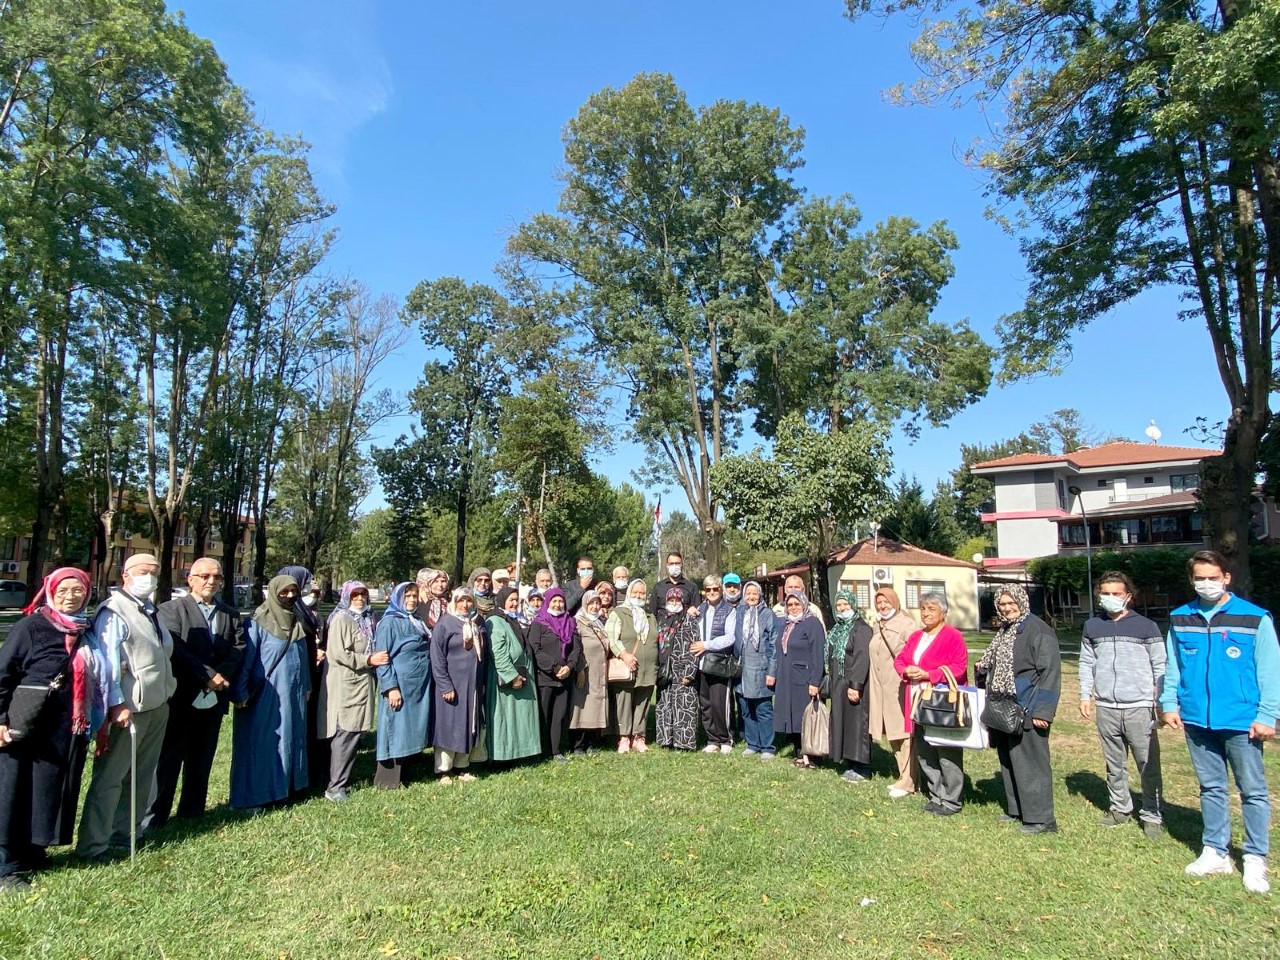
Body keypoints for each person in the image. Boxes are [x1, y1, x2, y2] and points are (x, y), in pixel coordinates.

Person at [1161, 550, 1280, 893]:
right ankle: (1216, 851)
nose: (1206, 583)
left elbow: (1269, 671)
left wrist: (1266, 715)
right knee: (1211, 788)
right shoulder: (1181, 618)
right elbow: (1174, 666)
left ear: (1227, 577)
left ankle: (1255, 858)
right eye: (1200, 578)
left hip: (1243, 721)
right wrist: (1170, 703)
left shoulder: (1255, 618)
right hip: (1198, 720)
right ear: (1191, 580)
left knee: (1253, 792)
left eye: (1213, 577)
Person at [0, 568, 108, 891]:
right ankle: (6, 866)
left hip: (64, 730)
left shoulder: (87, 631)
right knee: (12, 793)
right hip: (25, 726)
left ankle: (33, 850)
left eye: (78, 590)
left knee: (46, 792)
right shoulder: (31, 627)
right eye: (64, 589)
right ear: (50, 590)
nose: (71, 596)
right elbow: (3, 673)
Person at [77, 553, 176, 861]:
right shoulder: (114, 611)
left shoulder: (150, 610)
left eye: (154, 572)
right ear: (126, 576)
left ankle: (127, 834)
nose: (149, 577)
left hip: (157, 703)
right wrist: (116, 704)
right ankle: (94, 845)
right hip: (127, 709)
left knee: (143, 775)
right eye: (143, 572)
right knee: (111, 778)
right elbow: (107, 664)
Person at [151, 557, 244, 827]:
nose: (210, 581)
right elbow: (176, 649)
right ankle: (156, 815)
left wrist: (219, 676)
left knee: (202, 756)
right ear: (190, 579)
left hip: (214, 697)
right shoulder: (170, 610)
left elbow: (237, 648)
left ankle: (192, 810)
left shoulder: (230, 613)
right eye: (204, 576)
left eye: (216, 577)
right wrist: (206, 674)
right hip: (181, 696)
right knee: (169, 758)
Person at [1079, 571, 1165, 838]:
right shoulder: (1092, 626)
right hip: (1106, 706)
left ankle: (1152, 814)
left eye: (1116, 593)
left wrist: (1160, 701)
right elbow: (1086, 662)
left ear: (1128, 596)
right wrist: (1085, 695)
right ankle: (1120, 808)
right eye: (1105, 593)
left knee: (1147, 763)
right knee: (1114, 763)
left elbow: (1160, 664)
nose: (1111, 598)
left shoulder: (1146, 627)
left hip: (1139, 707)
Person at [977, 584, 1060, 833]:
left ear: (1022, 601)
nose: (1006, 608)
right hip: (1003, 707)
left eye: (1011, 602)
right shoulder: (1005, 630)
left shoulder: (1038, 630)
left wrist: (1043, 711)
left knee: (1031, 762)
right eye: (1002, 604)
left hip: (1028, 706)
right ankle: (1017, 810)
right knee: (1010, 759)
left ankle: (1041, 819)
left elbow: (1050, 673)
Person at [228, 575, 311, 810]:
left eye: (293, 591)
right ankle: (257, 795)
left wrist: (306, 686)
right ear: (274, 593)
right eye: (284, 592)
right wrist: (240, 693)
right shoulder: (257, 623)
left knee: (292, 738)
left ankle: (286, 788)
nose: (289, 596)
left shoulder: (295, 621)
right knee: (263, 743)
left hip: (294, 694)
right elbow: (247, 661)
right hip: (266, 695)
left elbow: (302, 657)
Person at [372, 582, 433, 790]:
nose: (412, 600)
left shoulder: (416, 620)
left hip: (416, 687)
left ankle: (407, 772)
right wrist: (391, 687)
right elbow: (382, 659)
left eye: (415, 596)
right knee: (395, 729)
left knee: (408, 729)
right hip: (399, 686)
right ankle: (388, 780)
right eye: (407, 596)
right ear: (398, 598)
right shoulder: (389, 622)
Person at [431, 587, 488, 783]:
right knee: (449, 724)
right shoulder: (445, 624)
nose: (465, 605)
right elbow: (437, 658)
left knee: (469, 723)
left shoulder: (477, 623)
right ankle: (443, 770)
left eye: (469, 601)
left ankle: (462, 765)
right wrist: (445, 685)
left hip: (472, 685)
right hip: (452, 684)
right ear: (454, 602)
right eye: (461, 601)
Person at [279, 565, 327, 778]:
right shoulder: (287, 610)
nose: (309, 585)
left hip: (311, 668)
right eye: (306, 581)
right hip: (296, 673)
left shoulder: (301, 607)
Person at [869, 587, 916, 797]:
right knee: (894, 734)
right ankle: (902, 775)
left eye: (886, 602)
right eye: (879, 603)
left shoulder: (907, 624)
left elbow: (913, 654)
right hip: (882, 687)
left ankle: (910, 780)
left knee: (905, 733)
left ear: (894, 601)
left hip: (899, 687)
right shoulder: (878, 625)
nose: (882, 606)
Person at [485, 587, 542, 764]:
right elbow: (498, 652)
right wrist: (511, 676)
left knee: (521, 718)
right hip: (506, 678)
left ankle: (521, 752)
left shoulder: (512, 619)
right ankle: (503, 755)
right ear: (502, 600)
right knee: (506, 719)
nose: (514, 603)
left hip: (522, 674)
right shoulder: (495, 620)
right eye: (511, 599)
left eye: (517, 600)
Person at [771, 590, 825, 768]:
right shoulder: (787, 624)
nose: (793, 608)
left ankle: (812, 755)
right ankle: (799, 752)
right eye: (790, 605)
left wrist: (815, 681)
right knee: (792, 715)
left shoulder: (812, 623)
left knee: (805, 717)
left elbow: (818, 654)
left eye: (797, 604)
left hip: (804, 678)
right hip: (787, 677)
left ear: (804, 604)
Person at [528, 587, 583, 761]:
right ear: (547, 602)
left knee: (559, 716)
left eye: (561, 601)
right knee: (544, 715)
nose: (558, 604)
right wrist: (554, 668)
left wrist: (570, 666)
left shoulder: (570, 622)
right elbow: (535, 649)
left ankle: (555, 750)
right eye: (554, 601)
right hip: (545, 678)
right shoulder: (539, 623)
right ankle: (542, 751)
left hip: (565, 677)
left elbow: (576, 648)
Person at [608, 579, 659, 753]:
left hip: (648, 668)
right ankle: (623, 738)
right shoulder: (619, 613)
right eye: (635, 592)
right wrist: (624, 654)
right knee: (624, 701)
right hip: (627, 666)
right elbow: (612, 638)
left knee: (643, 703)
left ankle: (639, 736)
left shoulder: (650, 616)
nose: (638, 596)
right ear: (629, 593)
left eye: (642, 593)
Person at [827, 588, 872, 782]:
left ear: (853, 605)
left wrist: (856, 685)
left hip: (853, 683)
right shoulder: (837, 628)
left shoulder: (861, 628)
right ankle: (846, 757)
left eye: (845, 604)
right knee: (841, 719)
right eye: (839, 605)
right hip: (838, 681)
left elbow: (862, 658)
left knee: (856, 723)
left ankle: (861, 766)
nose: (842, 608)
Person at [734, 581, 777, 759]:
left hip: (761, 667)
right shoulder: (740, 612)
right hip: (742, 667)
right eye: (748, 593)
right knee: (745, 707)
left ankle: (767, 746)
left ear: (760, 595)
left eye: (755, 593)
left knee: (763, 708)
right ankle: (752, 743)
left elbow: (774, 644)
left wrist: (772, 672)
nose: (751, 597)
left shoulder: (768, 614)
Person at [693, 575, 735, 753]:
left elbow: (730, 637)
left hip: (719, 664)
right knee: (706, 703)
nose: (711, 592)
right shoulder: (700, 609)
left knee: (720, 703)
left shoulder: (729, 610)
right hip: (701, 664)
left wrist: (706, 645)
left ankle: (726, 739)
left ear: (721, 589)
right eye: (708, 589)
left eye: (715, 589)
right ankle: (712, 739)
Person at [654, 587, 699, 751]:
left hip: (683, 668)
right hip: (665, 669)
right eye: (671, 600)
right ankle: (665, 740)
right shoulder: (661, 619)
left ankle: (684, 742)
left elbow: (695, 647)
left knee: (684, 707)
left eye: (677, 600)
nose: (674, 603)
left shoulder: (689, 620)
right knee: (664, 706)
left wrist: (690, 672)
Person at [569, 591, 610, 753]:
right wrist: (579, 669)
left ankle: (590, 743)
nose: (595, 606)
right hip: (584, 670)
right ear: (585, 604)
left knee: (595, 706)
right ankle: (577, 745)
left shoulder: (600, 622)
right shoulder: (578, 621)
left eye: (597, 603)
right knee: (581, 707)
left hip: (599, 670)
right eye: (591, 603)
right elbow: (575, 647)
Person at [650, 552, 699, 619]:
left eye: (677, 563)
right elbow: (652, 613)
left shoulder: (692, 587)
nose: (674, 566)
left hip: (684, 628)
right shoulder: (658, 587)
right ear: (667, 565)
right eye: (671, 563)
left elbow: (696, 610)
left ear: (681, 565)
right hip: (662, 628)